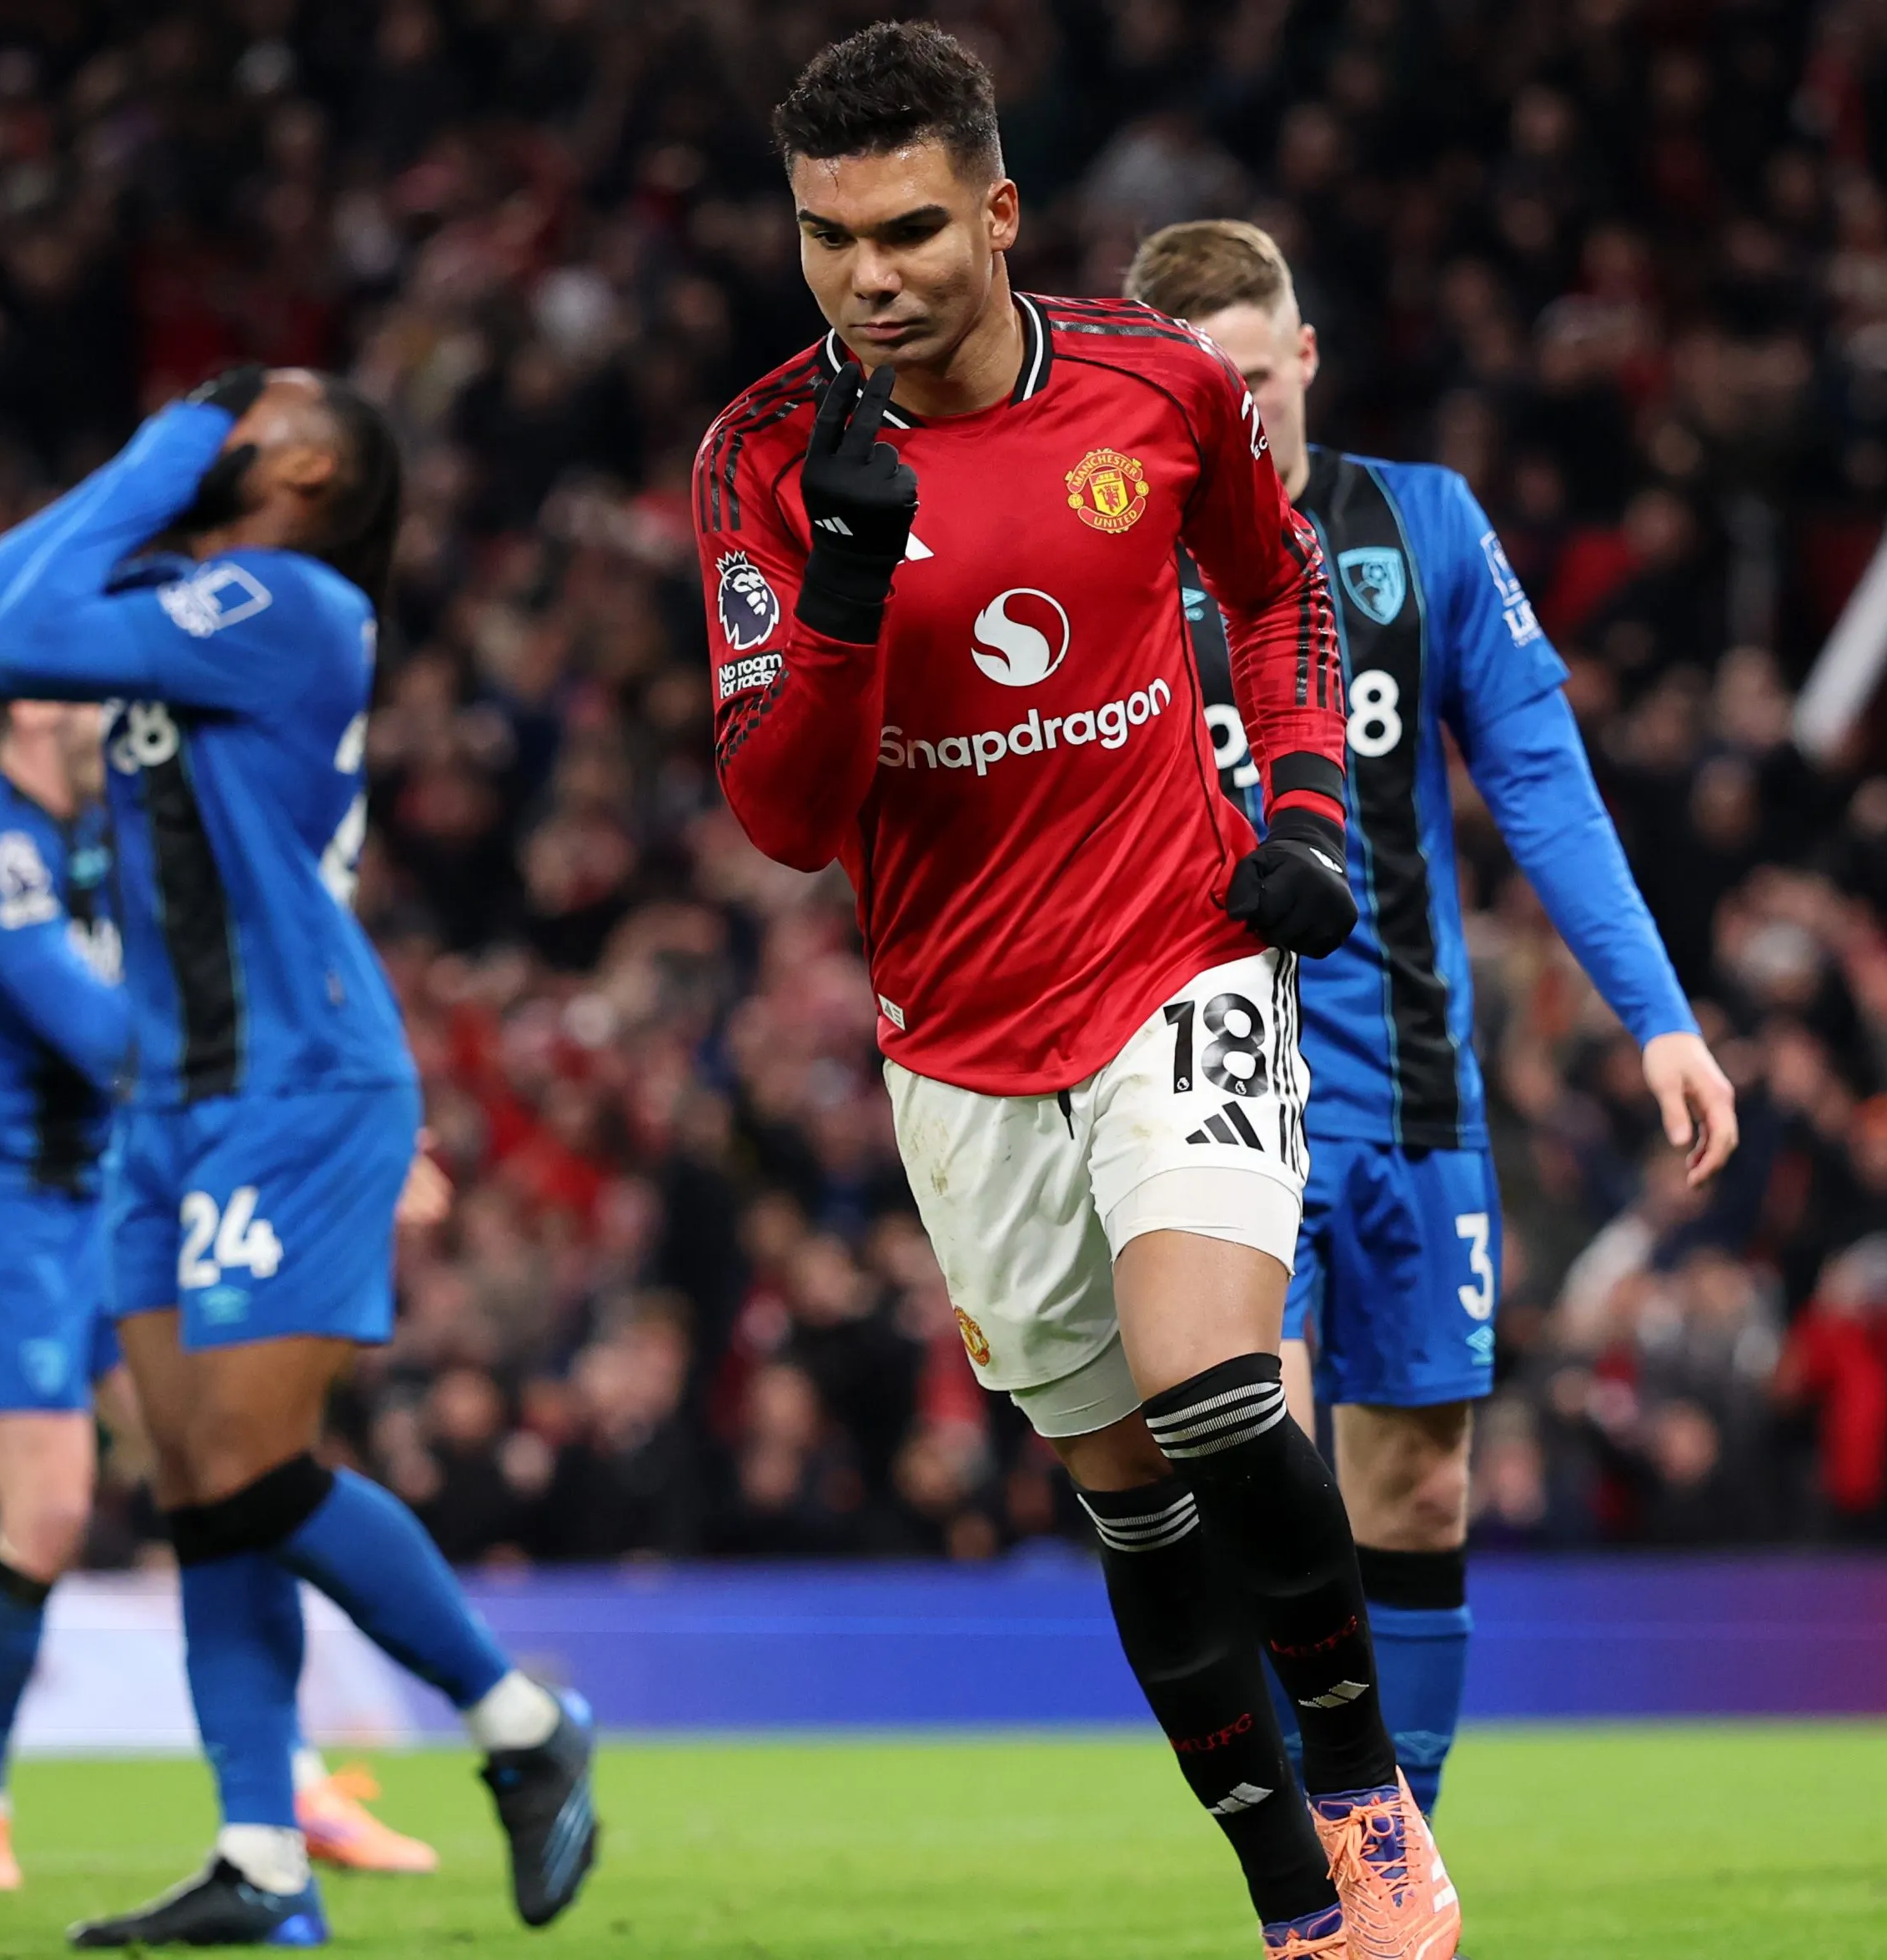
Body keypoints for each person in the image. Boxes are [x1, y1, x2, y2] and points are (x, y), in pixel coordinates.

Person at [694, 26, 1451, 1960]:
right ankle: (1291, 1901)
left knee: (1211, 1393)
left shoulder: (1159, 384)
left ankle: (1373, 1818)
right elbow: (783, 816)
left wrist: (1299, 809)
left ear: (1000, 212)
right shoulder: (765, 458)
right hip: (957, 1038)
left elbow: (1275, 591)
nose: (870, 275)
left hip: (1168, 959)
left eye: (912, 228)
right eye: (828, 237)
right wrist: (849, 598)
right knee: (1127, 1498)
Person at [0, 365, 595, 1946]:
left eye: (251, 416)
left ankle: (516, 1718)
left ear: (309, 477)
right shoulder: (178, 595)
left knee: (257, 1469)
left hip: (294, 1084)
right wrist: (139, 469)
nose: (219, 424)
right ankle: (263, 1860)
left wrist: (152, 449)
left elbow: (10, 639)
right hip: (173, 1110)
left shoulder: (292, 603)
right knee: (205, 1494)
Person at [1126, 218, 1738, 1820]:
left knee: (1418, 1475)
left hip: (1404, 1088)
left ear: (1303, 357)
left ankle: (1403, 1852)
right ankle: (1324, 1862)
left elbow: (1540, 781)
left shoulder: (1423, 528)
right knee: (1270, 1474)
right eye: (1199, 387)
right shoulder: (1110, 550)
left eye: (1255, 378)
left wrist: (1656, 1016)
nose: (1234, 413)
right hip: (1205, 1103)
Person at [0, 703, 435, 1892]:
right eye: (96, 692)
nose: (121, 709)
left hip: (102, 1200)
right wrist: (312, 1114)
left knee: (228, 1461)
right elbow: (103, 1036)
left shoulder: (87, 839)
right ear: (39, 707)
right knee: (50, 1511)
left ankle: (287, 1783)